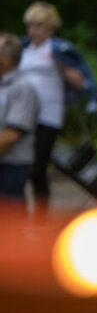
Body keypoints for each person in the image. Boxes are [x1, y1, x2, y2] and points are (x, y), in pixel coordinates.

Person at [19, 2, 97, 216]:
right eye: (30, 26)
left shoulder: (59, 49)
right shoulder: (24, 48)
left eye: (38, 26)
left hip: (49, 114)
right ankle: (23, 215)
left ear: (50, 28)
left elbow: (82, 82)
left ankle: (41, 216)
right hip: (24, 115)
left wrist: (64, 68)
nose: (33, 31)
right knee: (22, 166)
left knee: (39, 166)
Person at [0, 33, 40, 204]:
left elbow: (12, 134)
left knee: (11, 223)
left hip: (12, 166)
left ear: (7, 58)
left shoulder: (23, 88)